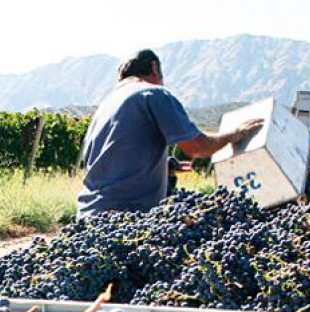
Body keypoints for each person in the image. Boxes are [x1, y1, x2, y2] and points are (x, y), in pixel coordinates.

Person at [78, 49, 263, 218]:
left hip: (90, 216)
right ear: (154, 68)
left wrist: (161, 166)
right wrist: (234, 134)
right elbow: (197, 148)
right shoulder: (154, 94)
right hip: (125, 218)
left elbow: (106, 160)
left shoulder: (106, 105)